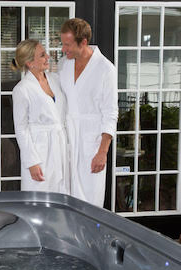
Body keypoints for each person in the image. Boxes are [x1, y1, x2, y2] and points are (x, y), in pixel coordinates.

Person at [57, 18, 118, 207]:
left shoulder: (105, 69)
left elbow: (110, 112)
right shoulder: (63, 65)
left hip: (91, 144)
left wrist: (102, 152)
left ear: (83, 42)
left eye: (67, 44)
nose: (63, 49)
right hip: (66, 140)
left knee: (91, 199)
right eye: (62, 44)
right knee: (66, 196)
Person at [11, 39, 69, 193]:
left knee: (61, 196)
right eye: (42, 55)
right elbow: (21, 129)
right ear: (30, 63)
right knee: (38, 197)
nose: (48, 57)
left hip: (60, 147)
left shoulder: (55, 80)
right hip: (39, 150)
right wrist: (32, 162)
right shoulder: (22, 90)